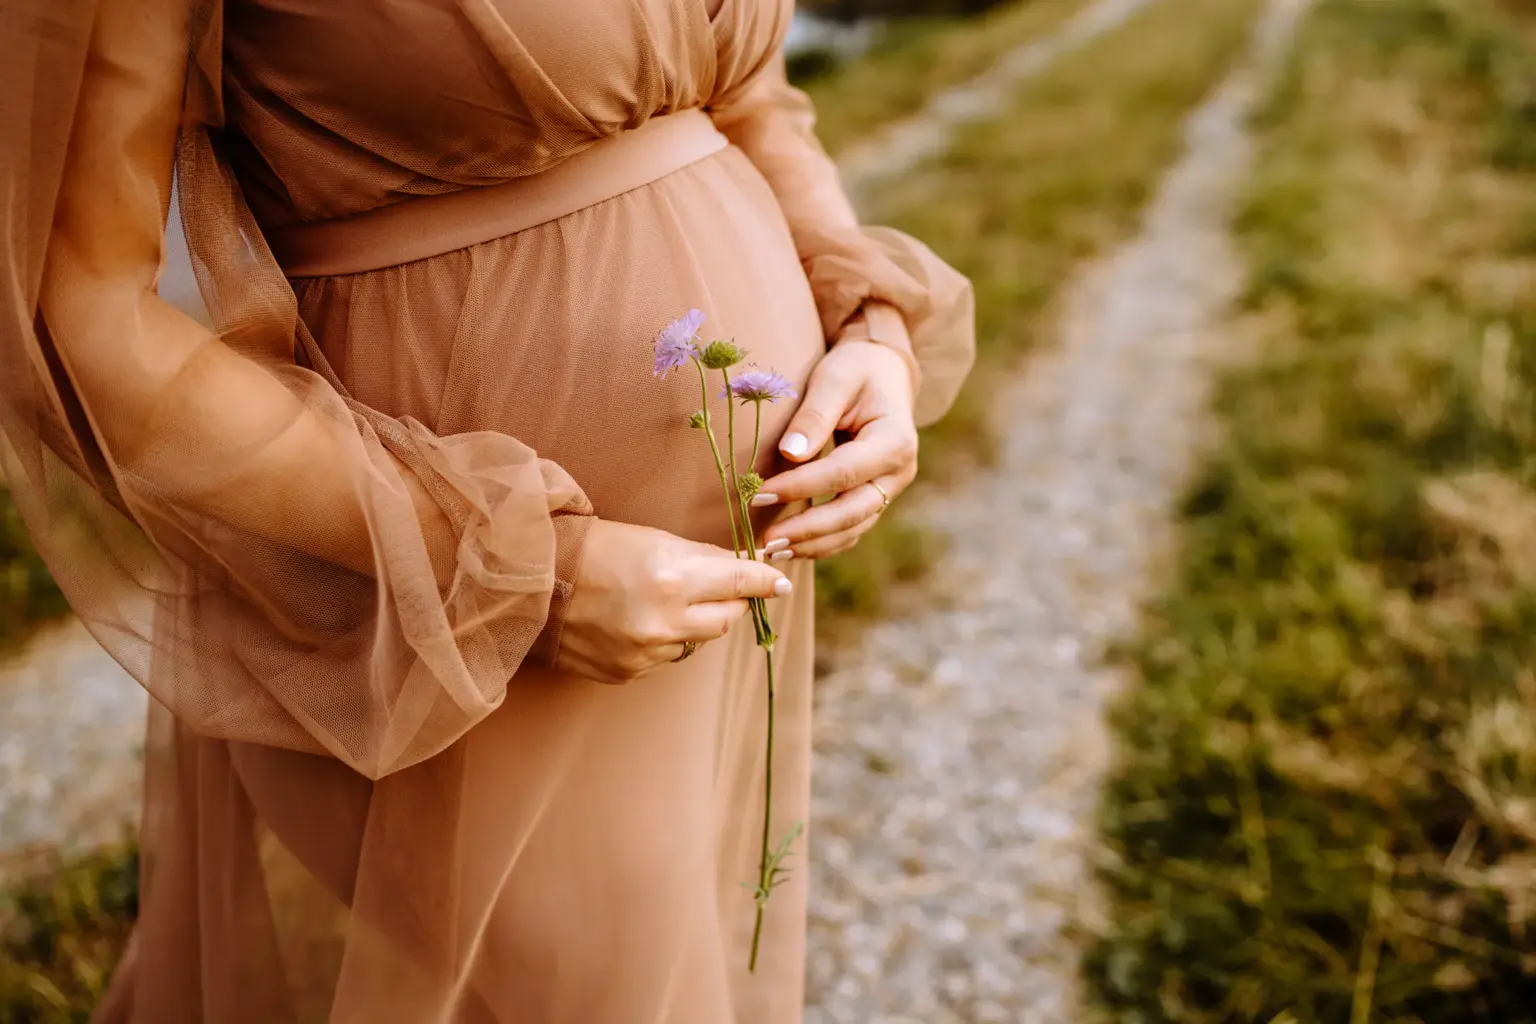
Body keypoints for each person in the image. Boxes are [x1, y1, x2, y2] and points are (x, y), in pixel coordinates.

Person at [0, 0, 974, 1020]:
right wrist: (514, 562)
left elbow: (751, 95)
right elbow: (87, 313)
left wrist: (869, 326)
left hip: (716, 569)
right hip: (445, 596)